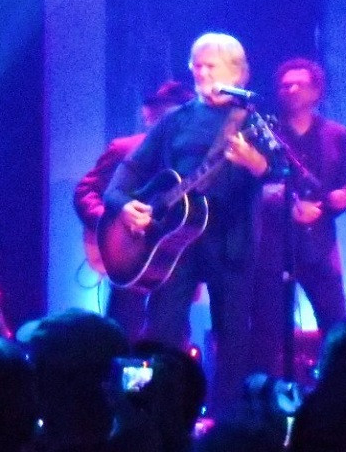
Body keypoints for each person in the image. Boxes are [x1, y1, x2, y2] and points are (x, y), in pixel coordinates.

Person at [104, 31, 271, 413]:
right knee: (161, 329)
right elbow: (124, 176)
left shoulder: (253, 120)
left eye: (210, 66)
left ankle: (227, 420)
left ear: (239, 73)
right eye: (195, 66)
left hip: (231, 242)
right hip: (173, 244)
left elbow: (277, 176)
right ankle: (154, 414)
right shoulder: (176, 120)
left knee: (232, 336)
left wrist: (255, 163)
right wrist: (124, 206)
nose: (200, 73)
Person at [249, 58, 346, 378]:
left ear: (316, 91)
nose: (291, 90)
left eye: (299, 84)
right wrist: (285, 202)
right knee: (268, 329)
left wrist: (341, 199)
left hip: (319, 243)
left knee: (336, 323)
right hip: (273, 245)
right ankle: (266, 400)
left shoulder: (335, 134)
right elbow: (255, 183)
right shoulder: (265, 131)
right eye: (285, 85)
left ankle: (339, 389)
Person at [72, 80, 194, 329]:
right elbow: (86, 191)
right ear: (149, 115)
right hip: (128, 252)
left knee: (171, 332)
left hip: (174, 255)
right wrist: (112, 222)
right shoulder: (125, 148)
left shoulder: (193, 157)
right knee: (123, 327)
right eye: (164, 112)